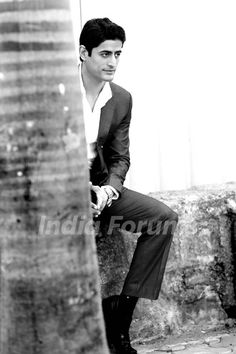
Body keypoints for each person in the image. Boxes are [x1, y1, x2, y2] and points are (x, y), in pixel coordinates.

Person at [79, 17, 178, 354]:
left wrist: (108, 190)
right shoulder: (58, 94)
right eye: (105, 54)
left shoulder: (121, 98)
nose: (112, 62)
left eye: (118, 54)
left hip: (101, 190)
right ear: (83, 53)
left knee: (163, 218)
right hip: (64, 191)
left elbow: (120, 157)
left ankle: (120, 318)